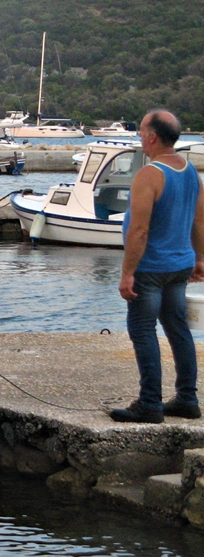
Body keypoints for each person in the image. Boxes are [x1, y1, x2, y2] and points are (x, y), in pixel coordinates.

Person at [111, 110, 204, 423]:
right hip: (179, 266)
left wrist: (127, 274)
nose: (139, 137)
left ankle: (149, 403)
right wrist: (200, 258)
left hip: (151, 268)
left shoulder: (149, 175)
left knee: (142, 330)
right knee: (178, 329)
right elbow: (199, 220)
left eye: (141, 131)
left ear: (152, 136)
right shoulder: (191, 172)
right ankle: (187, 399)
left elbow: (139, 230)